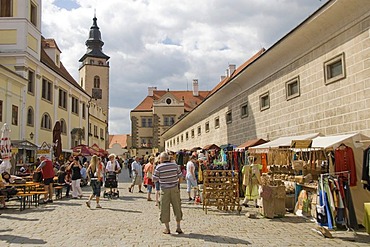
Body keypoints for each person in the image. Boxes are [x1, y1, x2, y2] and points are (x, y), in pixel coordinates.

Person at [152, 152, 183, 234]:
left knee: (164, 208)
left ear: (161, 159)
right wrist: (177, 184)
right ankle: (178, 227)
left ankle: (167, 228)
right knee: (177, 206)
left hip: (164, 189)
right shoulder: (175, 166)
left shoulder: (159, 167)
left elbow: (154, 179)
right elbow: (181, 177)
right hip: (174, 188)